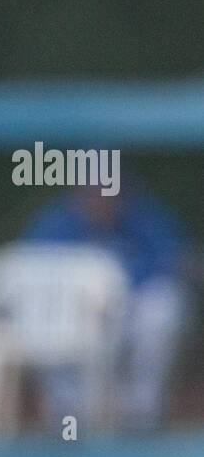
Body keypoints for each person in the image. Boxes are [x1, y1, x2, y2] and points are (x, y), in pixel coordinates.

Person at [22, 173, 192, 431]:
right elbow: (27, 277)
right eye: (92, 188)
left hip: (128, 314)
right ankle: (69, 411)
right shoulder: (56, 224)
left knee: (164, 305)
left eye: (108, 188)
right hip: (74, 320)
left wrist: (119, 294)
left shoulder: (144, 219)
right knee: (38, 317)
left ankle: (141, 410)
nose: (101, 196)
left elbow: (174, 264)